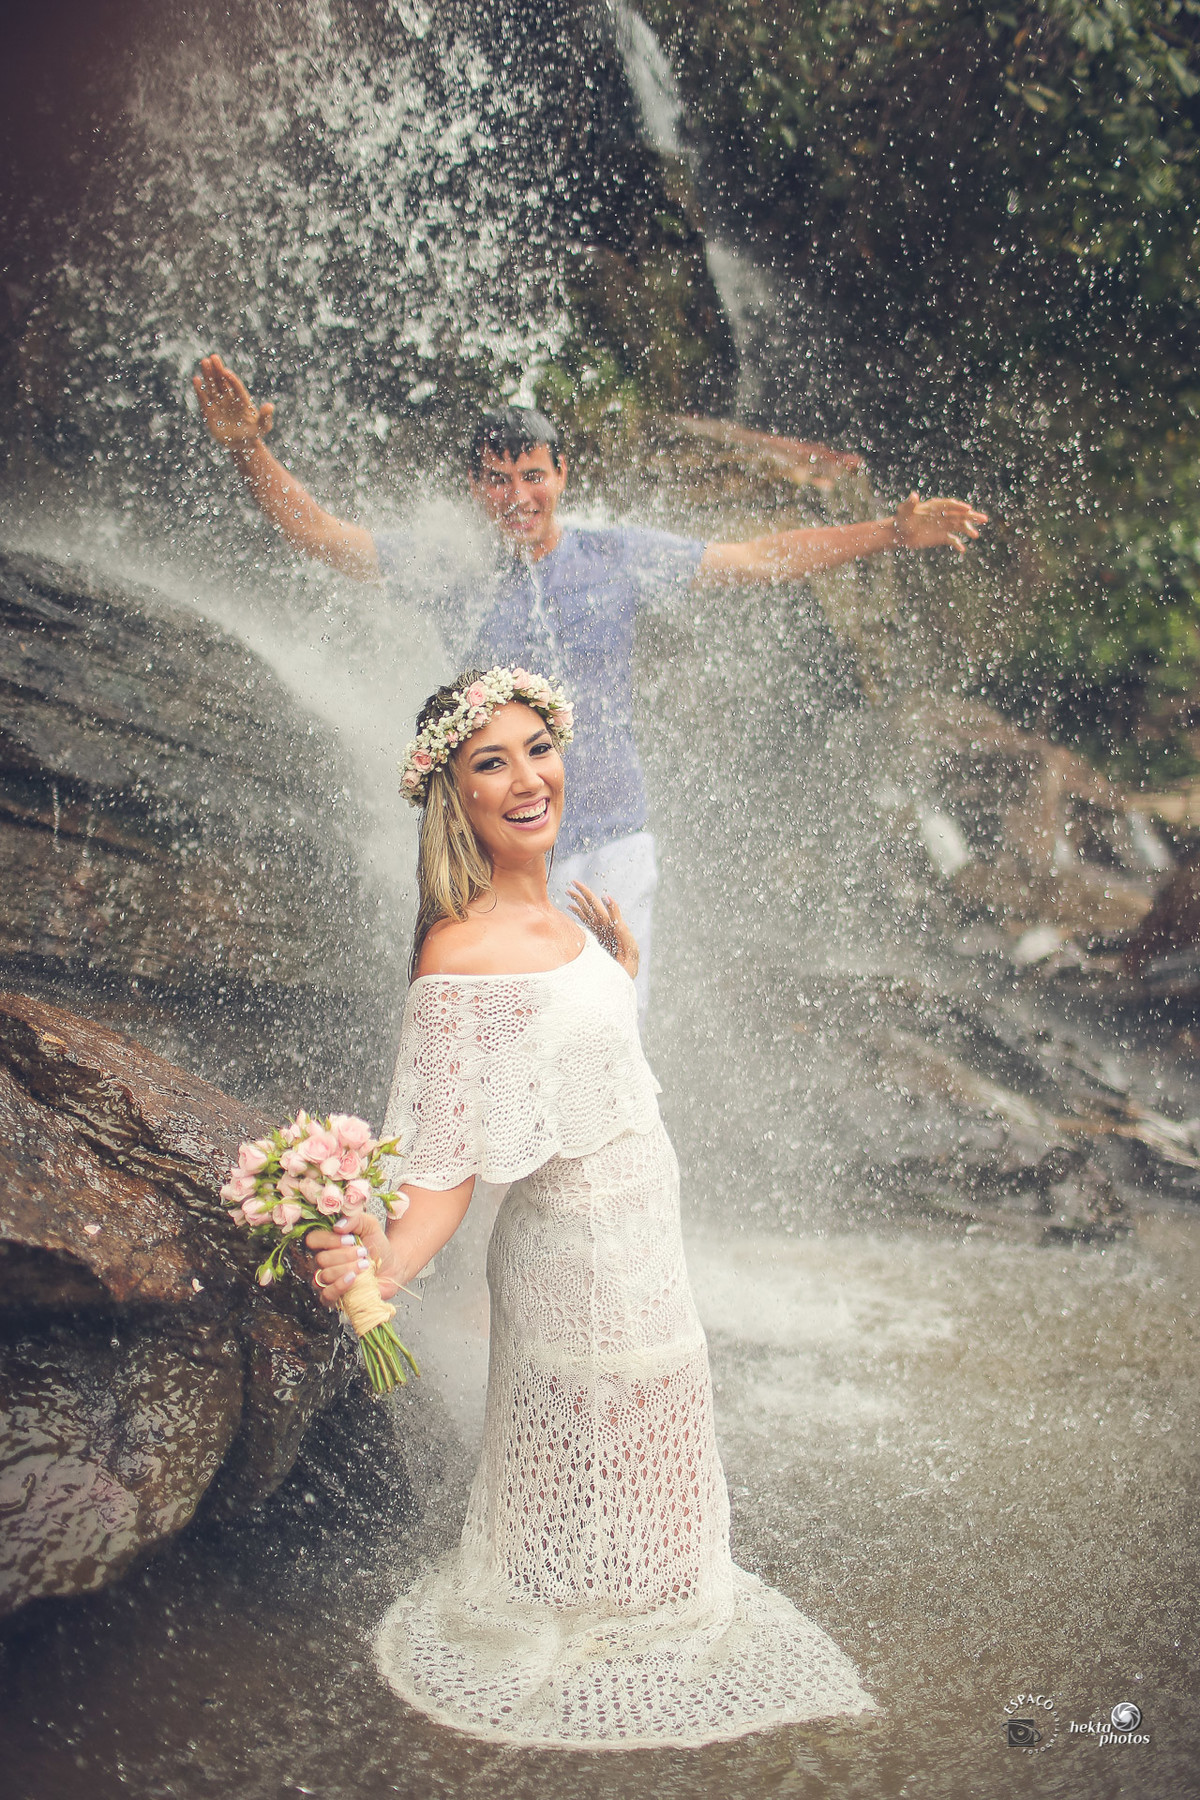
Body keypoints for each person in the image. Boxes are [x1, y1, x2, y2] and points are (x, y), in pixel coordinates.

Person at [302, 664, 877, 1748]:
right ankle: (594, 1624)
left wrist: (615, 969)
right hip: (577, 1261)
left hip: (642, 1240)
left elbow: (577, 1067)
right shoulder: (461, 954)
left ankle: (643, 1601)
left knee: (654, 1471)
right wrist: (379, 1269)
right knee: (600, 1486)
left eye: (537, 749)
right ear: (456, 798)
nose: (528, 779)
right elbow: (440, 1173)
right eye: (491, 762)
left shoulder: (561, 919)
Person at [193, 354, 987, 1013]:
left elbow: (754, 560)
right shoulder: (453, 569)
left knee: (610, 1030)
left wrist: (887, 532)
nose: (517, 498)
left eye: (531, 475)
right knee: (510, 1034)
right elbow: (321, 536)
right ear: (476, 489)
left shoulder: (616, 556)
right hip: (500, 850)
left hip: (611, 837)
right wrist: (246, 452)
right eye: (497, 481)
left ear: (562, 473)